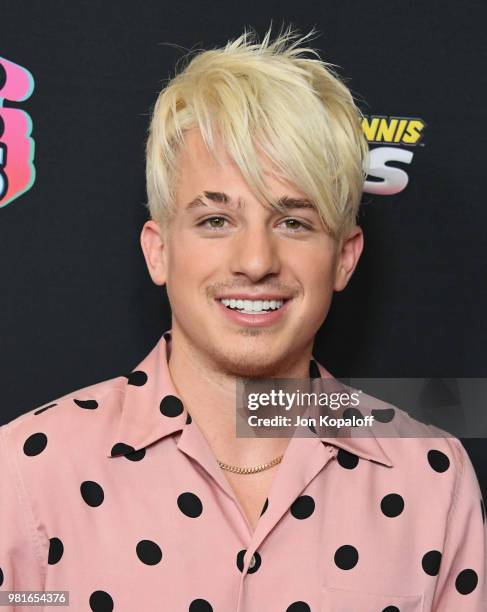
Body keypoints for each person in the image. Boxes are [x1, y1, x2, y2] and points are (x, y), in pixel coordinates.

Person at [0, 25, 485, 612]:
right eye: (215, 221)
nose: (256, 262)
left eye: (293, 221)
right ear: (159, 251)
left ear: (345, 257)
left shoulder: (431, 478)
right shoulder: (25, 470)